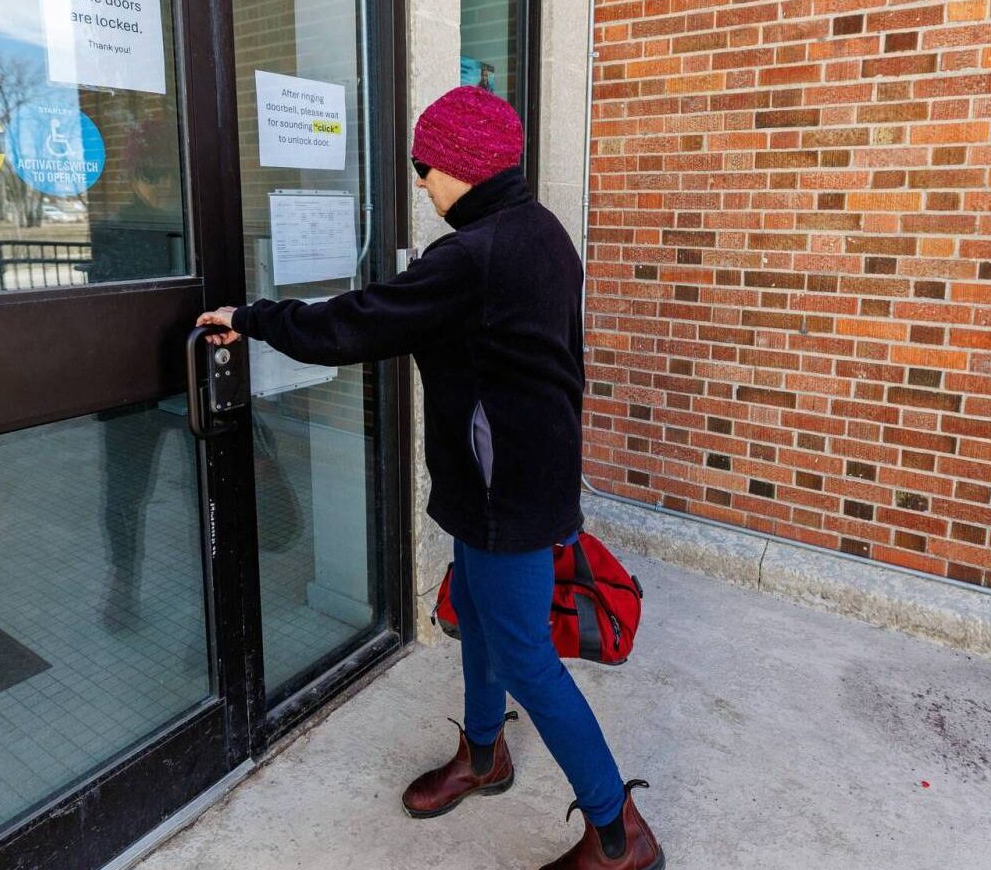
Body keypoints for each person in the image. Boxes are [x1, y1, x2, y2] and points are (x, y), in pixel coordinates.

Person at [197, 86, 663, 869]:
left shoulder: (474, 255)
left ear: (463, 166)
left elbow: (354, 323)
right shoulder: (542, 232)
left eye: (425, 165)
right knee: (477, 619)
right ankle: (485, 756)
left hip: (505, 491)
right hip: (509, 476)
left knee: (525, 657)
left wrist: (250, 318)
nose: (420, 181)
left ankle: (619, 834)